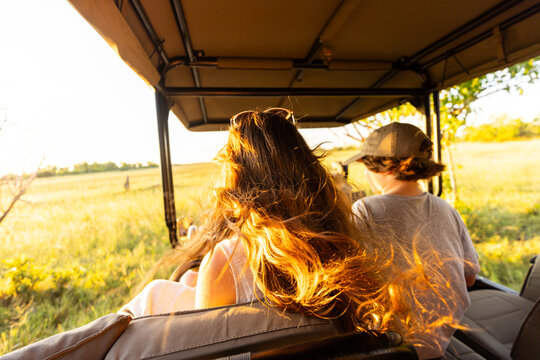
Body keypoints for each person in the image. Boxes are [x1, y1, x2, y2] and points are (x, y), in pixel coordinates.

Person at [119, 109, 455, 350]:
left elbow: (211, 348)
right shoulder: (346, 241)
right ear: (309, 172)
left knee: (155, 294)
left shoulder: (225, 260)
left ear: (236, 180)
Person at [344, 122, 480, 359]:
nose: (365, 173)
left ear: (384, 166)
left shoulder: (365, 208)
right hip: (440, 342)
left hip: (391, 347)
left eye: (367, 165)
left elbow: (354, 282)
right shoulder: (446, 208)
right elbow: (469, 278)